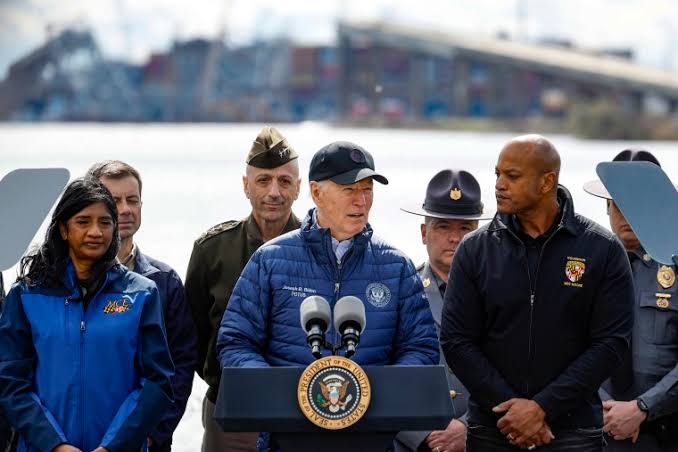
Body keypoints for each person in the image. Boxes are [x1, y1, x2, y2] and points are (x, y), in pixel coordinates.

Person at [441, 134, 634, 451]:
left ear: (547, 182)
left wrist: (544, 407)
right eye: (498, 174)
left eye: (512, 176)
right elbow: (456, 340)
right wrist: (511, 409)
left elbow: (611, 344)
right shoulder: (475, 250)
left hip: (573, 433)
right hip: (494, 429)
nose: (499, 185)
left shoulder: (602, 249)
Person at [217, 140, 438, 367]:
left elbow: (420, 347)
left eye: (367, 190)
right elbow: (236, 343)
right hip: (283, 401)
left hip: (375, 402)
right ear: (316, 192)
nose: (361, 201)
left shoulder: (397, 267)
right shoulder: (269, 260)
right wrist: (276, 393)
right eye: (349, 189)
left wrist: (383, 393)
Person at [0, 177, 174, 452]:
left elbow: (157, 382)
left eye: (105, 222)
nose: (96, 231)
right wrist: (55, 445)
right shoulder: (26, 296)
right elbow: (10, 382)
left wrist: (113, 446)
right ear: (64, 229)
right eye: (83, 221)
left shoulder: (141, 294)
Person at [185, 126, 302, 452]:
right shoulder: (213, 250)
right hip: (231, 410)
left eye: (284, 181)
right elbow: (191, 336)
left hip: (303, 412)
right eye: (263, 180)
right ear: (245, 186)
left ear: (299, 188)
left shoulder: (319, 249)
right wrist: (222, 380)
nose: (274, 192)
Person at [87, 160, 197, 452]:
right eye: (114, 200)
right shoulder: (64, 282)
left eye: (132, 200)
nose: (125, 209)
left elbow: (182, 364)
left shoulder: (164, 282)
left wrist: (154, 434)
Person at [583, 149, 678, 451]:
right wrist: (608, 408)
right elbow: (568, 346)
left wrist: (642, 408)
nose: (625, 214)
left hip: (667, 430)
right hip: (597, 428)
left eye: (637, 203)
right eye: (618, 203)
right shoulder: (583, 268)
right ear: (607, 207)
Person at [397, 169, 492, 452]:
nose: (454, 238)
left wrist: (469, 427)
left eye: (464, 228)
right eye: (443, 227)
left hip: (480, 440)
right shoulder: (399, 293)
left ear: (480, 234)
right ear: (424, 233)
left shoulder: (502, 296)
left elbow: (515, 374)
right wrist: (422, 434)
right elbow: (383, 373)